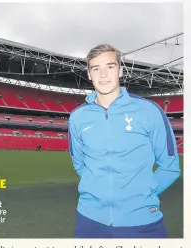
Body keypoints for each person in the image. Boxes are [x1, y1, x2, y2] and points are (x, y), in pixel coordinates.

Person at [68, 44, 181, 238]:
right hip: (89, 221)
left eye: (110, 66)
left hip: (143, 222)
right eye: (96, 68)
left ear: (120, 70)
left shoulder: (150, 111)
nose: (103, 74)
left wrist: (140, 195)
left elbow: (170, 167)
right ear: (89, 74)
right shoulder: (77, 117)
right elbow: (80, 164)